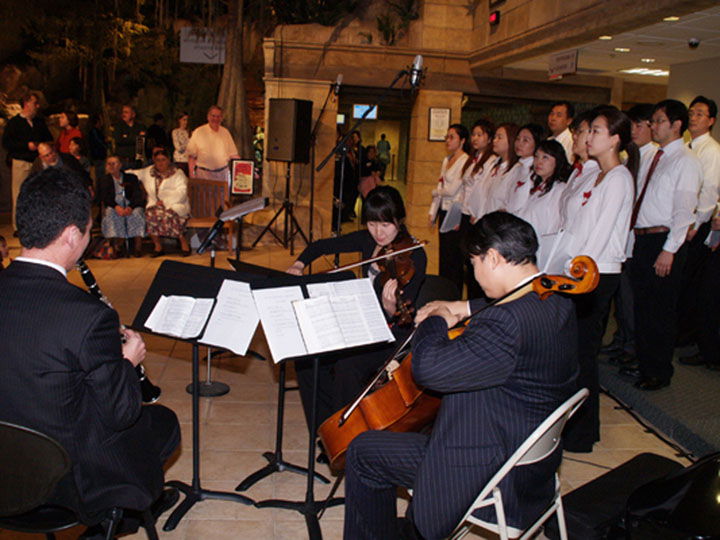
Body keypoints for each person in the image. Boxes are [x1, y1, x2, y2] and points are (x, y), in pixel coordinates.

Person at [343, 211, 578, 540]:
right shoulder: (557, 302)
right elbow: (512, 305)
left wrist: (437, 318)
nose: (475, 274)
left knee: (364, 451)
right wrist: (464, 307)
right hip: (530, 463)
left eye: (475, 264)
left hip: (484, 467)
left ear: (493, 258)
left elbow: (429, 370)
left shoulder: (506, 325)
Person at [0, 167, 180, 534]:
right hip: (60, 485)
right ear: (70, 235)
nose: (87, 240)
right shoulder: (88, 316)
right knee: (162, 423)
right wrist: (127, 363)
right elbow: (120, 413)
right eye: (87, 231)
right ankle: (118, 518)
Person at [287, 185, 427, 433]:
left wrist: (389, 307)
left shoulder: (414, 255)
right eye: (372, 224)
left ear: (399, 220)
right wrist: (299, 264)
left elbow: (405, 316)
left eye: (385, 225)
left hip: (393, 333)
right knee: (307, 361)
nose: (378, 233)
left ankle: (347, 434)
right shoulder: (367, 240)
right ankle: (326, 430)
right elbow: (320, 246)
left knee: (347, 366)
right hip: (360, 324)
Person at [550, 106, 635, 452]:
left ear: (615, 139)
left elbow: (599, 235)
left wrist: (577, 269)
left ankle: (583, 433)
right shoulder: (599, 174)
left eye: (597, 131)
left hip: (597, 273)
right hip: (583, 269)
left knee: (584, 353)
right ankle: (574, 424)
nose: (590, 136)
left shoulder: (618, 177)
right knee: (575, 351)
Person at [621, 99, 702, 390]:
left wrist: (670, 249)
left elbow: (684, 211)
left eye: (658, 121)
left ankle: (658, 371)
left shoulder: (686, 161)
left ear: (676, 125)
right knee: (643, 309)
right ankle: (644, 364)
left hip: (663, 241)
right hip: (643, 239)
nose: (653, 126)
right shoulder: (657, 157)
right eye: (652, 121)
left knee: (660, 311)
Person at [676, 96, 720, 353]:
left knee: (691, 282)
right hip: (687, 220)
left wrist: (696, 225)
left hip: (698, 223)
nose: (693, 118)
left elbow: (709, 191)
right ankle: (681, 331)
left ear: (711, 121)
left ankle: (686, 334)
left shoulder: (711, 150)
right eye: (691, 113)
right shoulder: (688, 146)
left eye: (700, 114)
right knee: (682, 281)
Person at [428, 123, 470, 292]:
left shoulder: (465, 160)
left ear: (462, 140)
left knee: (454, 255)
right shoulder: (446, 160)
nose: (448, 140)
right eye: (447, 137)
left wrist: (435, 192)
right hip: (443, 210)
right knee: (444, 252)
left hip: (456, 213)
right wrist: (432, 212)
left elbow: (452, 190)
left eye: (452, 137)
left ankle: (454, 290)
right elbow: (441, 184)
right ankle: (443, 288)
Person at [515, 139, 571, 265]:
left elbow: (554, 227)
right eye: (536, 157)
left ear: (557, 160)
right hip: (529, 248)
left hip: (542, 253)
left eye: (545, 157)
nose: (538, 162)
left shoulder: (560, 189)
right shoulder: (539, 187)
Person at [2, 91, 52, 230]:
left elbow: (48, 138)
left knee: (38, 192)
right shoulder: (14, 123)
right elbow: (7, 143)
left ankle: (37, 222)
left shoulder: (39, 122)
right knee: (19, 193)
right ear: (26, 104)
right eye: (34, 103)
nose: (37, 106)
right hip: (21, 161)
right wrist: (26, 145)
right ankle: (19, 226)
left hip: (38, 162)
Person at [133, 148, 191, 257]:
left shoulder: (178, 174)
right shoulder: (148, 172)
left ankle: (184, 243)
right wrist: (118, 172)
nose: (160, 163)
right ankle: (158, 246)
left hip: (176, 204)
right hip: (155, 205)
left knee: (169, 215)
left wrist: (165, 202)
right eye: (158, 160)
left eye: (163, 160)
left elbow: (182, 193)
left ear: (168, 160)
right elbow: (134, 173)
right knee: (150, 215)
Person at [97, 155, 146, 257]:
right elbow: (105, 197)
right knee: (110, 214)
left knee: (137, 214)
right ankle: (115, 246)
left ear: (120, 165)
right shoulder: (104, 180)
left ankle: (138, 247)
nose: (111, 166)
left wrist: (130, 207)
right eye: (109, 164)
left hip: (130, 204)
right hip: (113, 205)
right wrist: (116, 207)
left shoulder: (131, 178)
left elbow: (137, 195)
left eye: (114, 163)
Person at [186, 105, 239, 182]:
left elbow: (233, 154)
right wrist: (192, 175)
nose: (215, 119)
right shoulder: (199, 132)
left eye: (218, 116)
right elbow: (191, 156)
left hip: (222, 175)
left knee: (223, 194)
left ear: (221, 118)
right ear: (208, 117)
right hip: (203, 175)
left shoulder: (225, 132)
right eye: (213, 116)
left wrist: (247, 168)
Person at [112, 104, 146, 169]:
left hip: (135, 161)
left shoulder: (139, 126)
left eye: (126, 112)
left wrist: (128, 138)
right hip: (122, 161)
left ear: (133, 114)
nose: (123, 114)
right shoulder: (118, 127)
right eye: (123, 112)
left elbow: (141, 142)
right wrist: (135, 138)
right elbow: (119, 140)